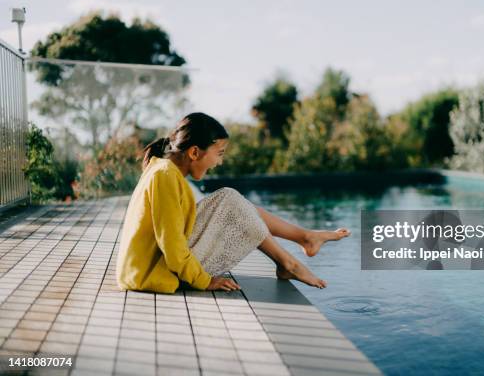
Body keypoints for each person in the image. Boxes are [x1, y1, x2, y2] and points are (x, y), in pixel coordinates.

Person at [116, 112, 350, 293]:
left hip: (152, 266)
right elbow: (172, 246)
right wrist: (204, 281)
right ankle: (290, 262)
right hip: (150, 274)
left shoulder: (164, 170)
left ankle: (303, 239)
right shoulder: (165, 175)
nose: (219, 162)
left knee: (230, 199)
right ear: (195, 152)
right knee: (233, 203)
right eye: (219, 153)